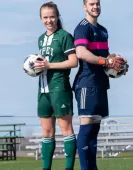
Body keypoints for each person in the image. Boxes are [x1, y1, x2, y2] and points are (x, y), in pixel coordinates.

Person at [73, 0, 129, 170]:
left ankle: (93, 167)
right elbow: (81, 53)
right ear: (84, 7)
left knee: (95, 128)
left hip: (100, 83)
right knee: (86, 126)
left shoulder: (103, 30)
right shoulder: (82, 28)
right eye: (91, 4)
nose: (95, 7)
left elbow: (107, 60)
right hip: (86, 83)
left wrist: (118, 67)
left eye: (97, 4)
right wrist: (106, 61)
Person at [34, 2, 77, 170]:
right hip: (43, 89)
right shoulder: (41, 39)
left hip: (59, 87)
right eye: (45, 17)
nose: (49, 20)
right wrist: (33, 69)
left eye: (52, 16)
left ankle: (68, 168)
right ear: (41, 19)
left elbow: (73, 62)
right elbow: (41, 64)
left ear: (57, 17)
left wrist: (49, 66)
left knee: (66, 129)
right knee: (46, 132)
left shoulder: (64, 36)